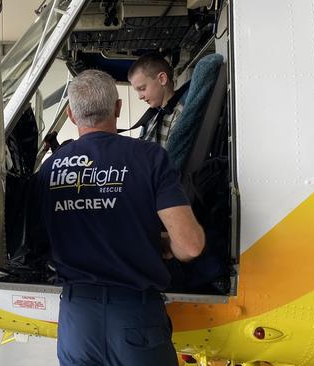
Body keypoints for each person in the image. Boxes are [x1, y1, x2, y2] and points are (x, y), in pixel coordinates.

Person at [34, 70, 205, 366]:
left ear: (71, 116)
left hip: (77, 319)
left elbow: (40, 241)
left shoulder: (50, 169)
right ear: (117, 108)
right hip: (135, 316)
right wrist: (166, 246)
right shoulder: (149, 158)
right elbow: (190, 246)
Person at [128, 53, 187, 147]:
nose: (140, 97)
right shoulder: (151, 117)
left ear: (162, 79)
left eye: (142, 88)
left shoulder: (180, 114)